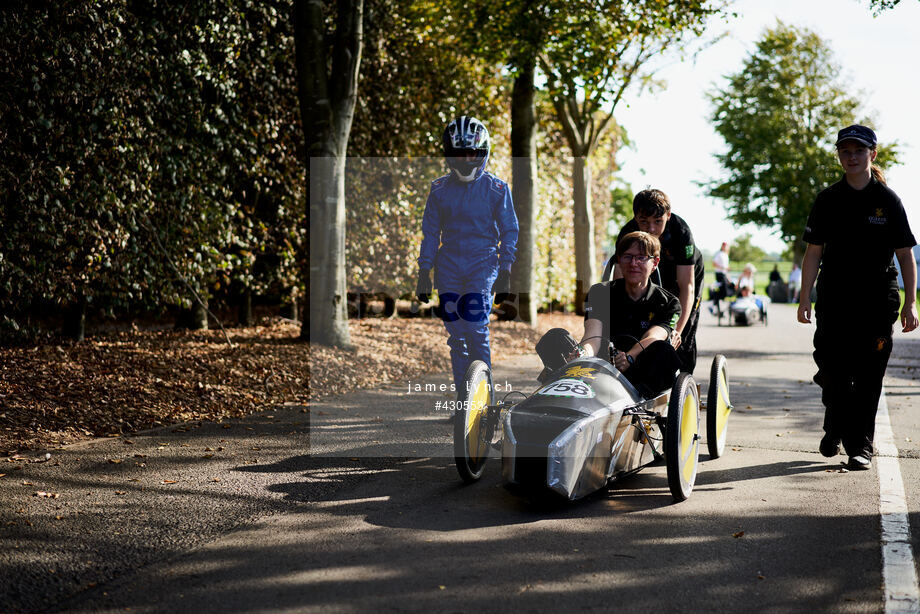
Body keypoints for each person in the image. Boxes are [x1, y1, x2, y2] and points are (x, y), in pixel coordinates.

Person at [797, 124, 918, 470]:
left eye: (858, 151)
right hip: (834, 299)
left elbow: (905, 254)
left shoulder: (887, 200)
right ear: (839, 155)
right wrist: (804, 297)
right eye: (845, 151)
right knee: (833, 370)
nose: (851, 157)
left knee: (868, 374)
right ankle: (834, 423)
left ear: (872, 154)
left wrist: (910, 303)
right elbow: (813, 252)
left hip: (878, 300)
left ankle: (861, 445)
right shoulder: (827, 200)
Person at [415, 116, 519, 405]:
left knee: (475, 328)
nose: (465, 159)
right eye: (458, 153)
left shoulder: (498, 189)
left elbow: (510, 230)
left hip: (483, 264)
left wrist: (505, 271)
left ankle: (485, 401)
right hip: (447, 267)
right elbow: (430, 231)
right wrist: (425, 271)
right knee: (457, 339)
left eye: (471, 153)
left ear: (482, 152)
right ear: (449, 154)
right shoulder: (438, 189)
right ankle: (465, 404)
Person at [606, 189, 704, 373]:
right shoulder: (628, 233)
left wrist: (675, 331)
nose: (651, 229)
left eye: (657, 222)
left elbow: (687, 287)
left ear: (668, 215)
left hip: (681, 274)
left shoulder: (681, 233)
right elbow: (620, 287)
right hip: (645, 266)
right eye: (644, 222)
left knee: (678, 335)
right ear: (636, 218)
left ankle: (681, 383)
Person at [573, 231, 682, 396]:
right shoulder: (599, 292)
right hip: (603, 366)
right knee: (555, 337)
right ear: (619, 260)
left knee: (663, 350)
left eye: (641, 258)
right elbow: (592, 336)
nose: (633, 263)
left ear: (655, 263)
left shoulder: (669, 302)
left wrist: (629, 357)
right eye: (627, 257)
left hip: (643, 371)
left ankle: (637, 402)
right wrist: (582, 354)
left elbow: (654, 336)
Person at [711, 241, 731, 313]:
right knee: (723, 290)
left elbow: (726, 269)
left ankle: (716, 303)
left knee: (724, 291)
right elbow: (714, 263)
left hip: (724, 274)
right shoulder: (719, 254)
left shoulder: (726, 255)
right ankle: (714, 303)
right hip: (719, 274)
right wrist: (722, 268)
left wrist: (728, 277)